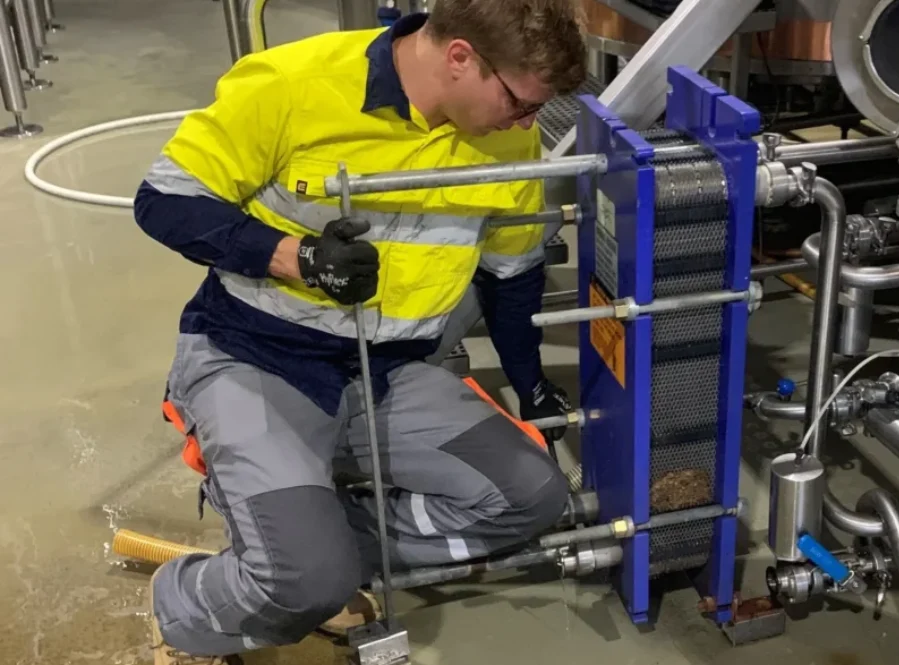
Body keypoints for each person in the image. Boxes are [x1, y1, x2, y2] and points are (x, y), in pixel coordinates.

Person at [132, 0, 587, 661]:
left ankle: (308, 550)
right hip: (259, 354)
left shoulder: (508, 138)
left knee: (533, 496)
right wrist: (296, 256)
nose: (530, 123)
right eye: (521, 102)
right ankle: (189, 599)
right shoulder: (292, 83)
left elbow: (511, 280)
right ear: (461, 57)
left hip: (391, 374)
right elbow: (163, 201)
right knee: (303, 579)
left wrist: (533, 384)